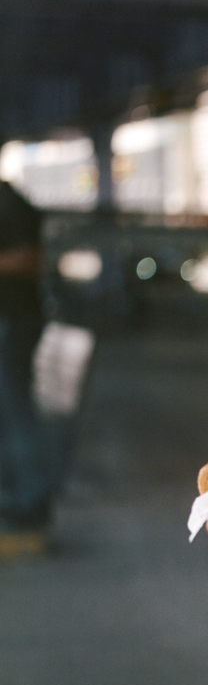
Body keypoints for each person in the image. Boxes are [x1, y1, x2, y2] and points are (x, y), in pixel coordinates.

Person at [0, 179, 51, 556]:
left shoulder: (9, 202)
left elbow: (30, 258)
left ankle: (30, 503)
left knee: (16, 412)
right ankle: (16, 498)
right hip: (13, 320)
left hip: (12, 322)